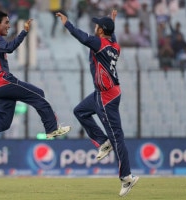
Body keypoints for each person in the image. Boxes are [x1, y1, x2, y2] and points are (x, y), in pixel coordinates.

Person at [56, 10, 139, 197]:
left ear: (101, 30)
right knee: (80, 111)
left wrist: (66, 23)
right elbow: (111, 36)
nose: (95, 27)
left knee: (117, 136)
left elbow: (81, 37)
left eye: (97, 25)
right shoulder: (114, 45)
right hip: (106, 92)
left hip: (106, 97)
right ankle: (103, 142)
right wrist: (112, 21)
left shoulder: (98, 43)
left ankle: (127, 176)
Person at [0, 11, 71, 150]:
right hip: (3, 81)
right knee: (38, 94)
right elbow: (9, 48)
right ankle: (52, 129)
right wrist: (24, 32)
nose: (8, 26)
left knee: (4, 121)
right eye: (6, 23)